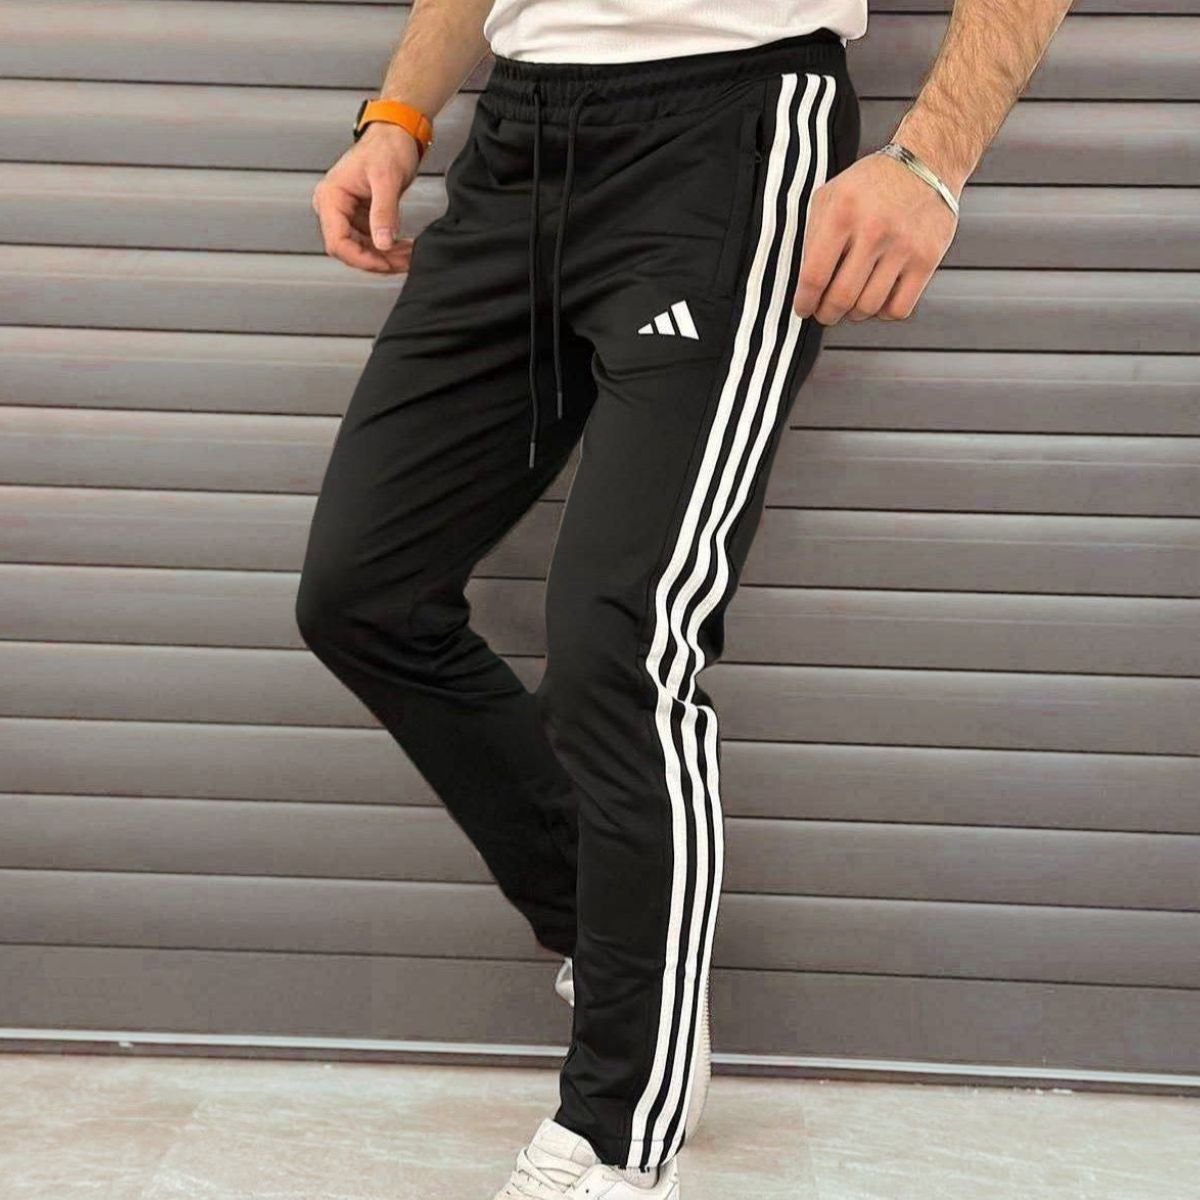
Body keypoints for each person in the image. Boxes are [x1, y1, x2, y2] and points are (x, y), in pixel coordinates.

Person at [299, 1, 1073, 1195]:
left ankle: (618, 1132)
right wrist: (400, 114)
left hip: (734, 128)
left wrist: (931, 161)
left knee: (622, 645)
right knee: (363, 593)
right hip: (519, 137)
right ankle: (628, 949)